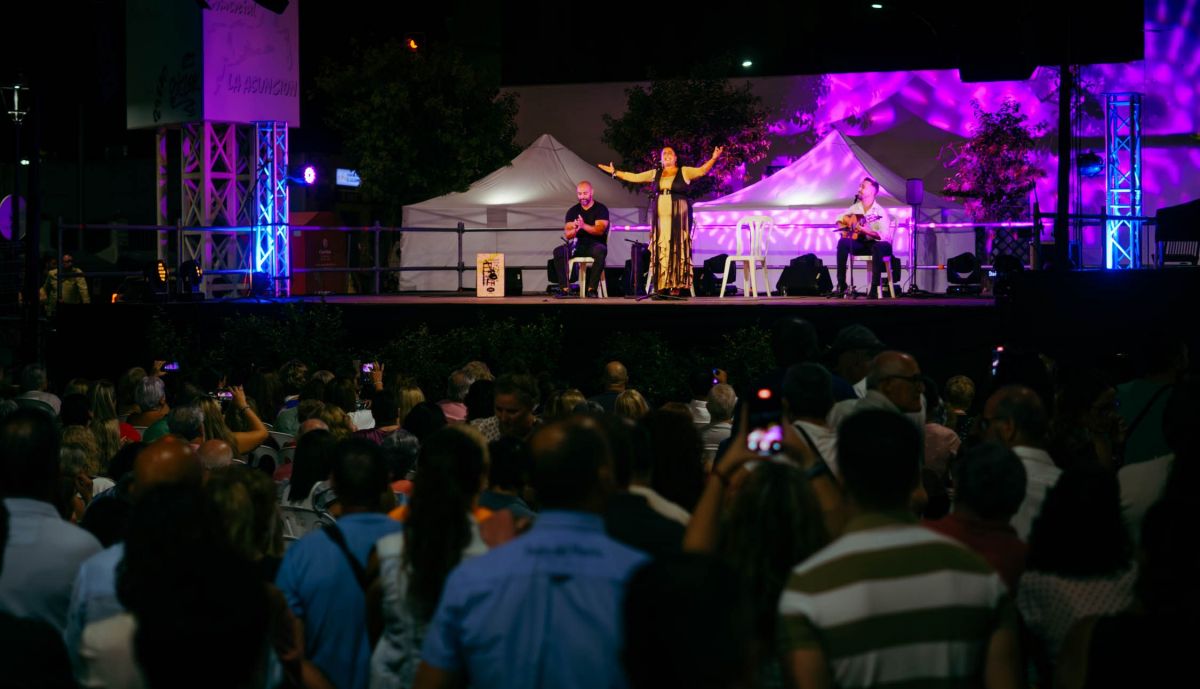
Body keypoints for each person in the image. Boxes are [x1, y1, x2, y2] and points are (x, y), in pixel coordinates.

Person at [600, 145, 723, 298]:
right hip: (661, 215)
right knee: (662, 248)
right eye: (664, 153)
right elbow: (635, 177)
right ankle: (662, 285)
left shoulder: (683, 171)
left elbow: (702, 170)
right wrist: (615, 172)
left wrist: (714, 158)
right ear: (661, 158)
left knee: (676, 248)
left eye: (670, 153)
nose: (667, 155)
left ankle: (676, 285)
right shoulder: (656, 173)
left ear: (676, 157)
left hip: (679, 214)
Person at [834, 177, 897, 299]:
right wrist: (842, 226)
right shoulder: (856, 207)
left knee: (878, 247)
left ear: (873, 191)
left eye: (863, 187)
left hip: (880, 245)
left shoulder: (879, 211)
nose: (859, 189)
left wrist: (864, 230)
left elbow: (884, 235)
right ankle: (841, 284)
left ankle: (873, 289)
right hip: (863, 244)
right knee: (842, 243)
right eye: (859, 186)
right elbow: (839, 217)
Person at [552, 181, 610, 298]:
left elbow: (600, 230)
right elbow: (568, 235)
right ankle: (565, 288)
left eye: (585, 193)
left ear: (591, 193)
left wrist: (584, 226)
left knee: (601, 250)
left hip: (595, 244)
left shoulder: (601, 209)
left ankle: (591, 289)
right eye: (579, 194)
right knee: (559, 251)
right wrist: (575, 229)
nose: (582, 196)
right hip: (577, 245)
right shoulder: (573, 211)